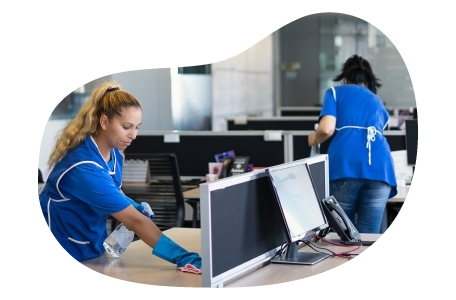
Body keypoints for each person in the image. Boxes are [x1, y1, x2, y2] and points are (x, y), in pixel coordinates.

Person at [38, 81, 201, 270]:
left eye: (137, 127)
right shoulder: (83, 168)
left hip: (90, 250)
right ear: (104, 121)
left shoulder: (114, 153)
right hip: (58, 255)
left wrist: (132, 205)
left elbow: (111, 191)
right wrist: (184, 257)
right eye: (126, 127)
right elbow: (134, 221)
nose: (133, 135)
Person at [308, 54, 397, 234]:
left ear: (345, 78)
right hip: (381, 169)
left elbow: (326, 129)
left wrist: (314, 139)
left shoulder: (335, 92)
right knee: (368, 235)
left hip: (346, 166)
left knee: (343, 235)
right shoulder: (376, 100)